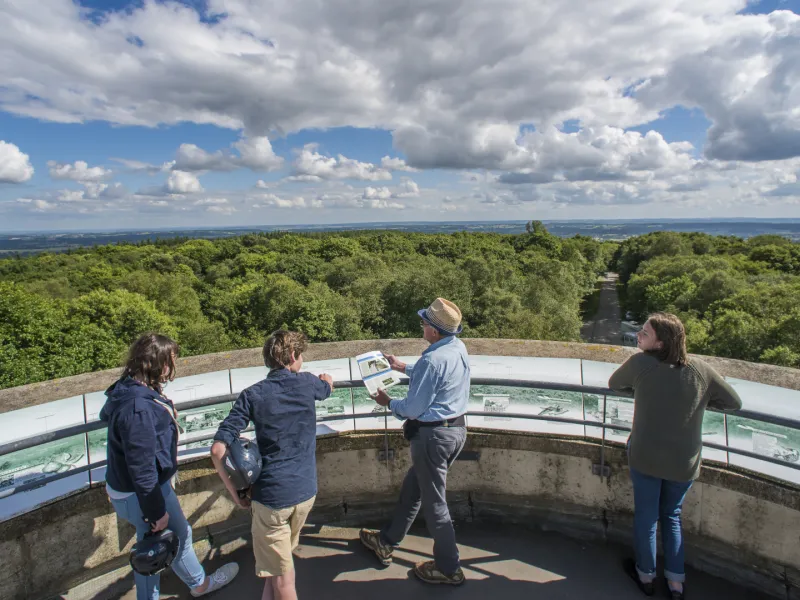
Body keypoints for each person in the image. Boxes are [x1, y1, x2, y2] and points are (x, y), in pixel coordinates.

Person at [609, 313, 742, 600]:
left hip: (645, 456)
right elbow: (733, 403)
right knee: (672, 516)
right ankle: (676, 583)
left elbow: (614, 384)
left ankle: (646, 576)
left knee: (647, 516)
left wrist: (644, 393)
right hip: (684, 461)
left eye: (644, 333)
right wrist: (699, 401)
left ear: (660, 342)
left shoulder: (640, 364)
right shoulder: (701, 370)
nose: (638, 336)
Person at [100, 333, 238, 600]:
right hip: (143, 493)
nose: (173, 366)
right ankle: (200, 585)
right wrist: (155, 512)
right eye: (170, 360)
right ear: (155, 362)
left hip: (129, 490)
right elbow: (142, 467)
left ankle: (191, 584)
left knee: (150, 546)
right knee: (161, 545)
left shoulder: (129, 389)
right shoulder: (138, 408)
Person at [210, 330, 333, 600]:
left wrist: (238, 494)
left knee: (282, 578)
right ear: (292, 356)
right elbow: (325, 389)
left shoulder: (252, 395)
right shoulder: (308, 383)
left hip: (272, 500)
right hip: (305, 492)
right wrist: (328, 380)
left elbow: (218, 449)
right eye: (301, 356)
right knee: (278, 572)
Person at [360, 297, 470, 586]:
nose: (421, 325)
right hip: (456, 430)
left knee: (435, 505)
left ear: (433, 331)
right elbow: (436, 377)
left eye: (424, 322)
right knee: (414, 490)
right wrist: (402, 367)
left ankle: (449, 568)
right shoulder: (457, 348)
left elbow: (412, 408)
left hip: (433, 437)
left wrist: (387, 402)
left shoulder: (432, 359)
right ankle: (387, 540)